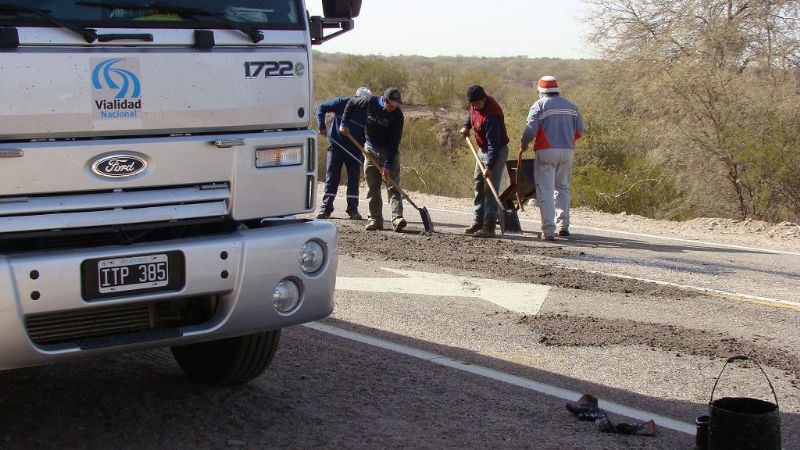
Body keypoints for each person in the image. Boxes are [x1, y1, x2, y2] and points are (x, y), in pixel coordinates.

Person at [519, 75, 585, 240]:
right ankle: (563, 225)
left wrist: (523, 143)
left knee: (545, 190)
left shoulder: (539, 105)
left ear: (540, 91)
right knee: (562, 188)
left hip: (546, 151)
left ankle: (548, 230)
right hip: (568, 151)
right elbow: (580, 131)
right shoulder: (571, 106)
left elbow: (531, 129)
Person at [339, 87, 406, 232]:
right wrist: (344, 123)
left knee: (393, 185)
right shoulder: (370, 101)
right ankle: (375, 219)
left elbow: (395, 141)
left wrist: (387, 164)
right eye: (393, 105)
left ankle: (397, 218)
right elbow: (351, 103)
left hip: (389, 151)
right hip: (370, 150)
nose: (394, 108)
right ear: (386, 101)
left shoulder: (398, 116)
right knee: (372, 186)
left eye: (397, 105)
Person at [459, 85, 510, 238]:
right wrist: (466, 126)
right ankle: (478, 220)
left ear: (484, 99)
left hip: (496, 151)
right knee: (478, 183)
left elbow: (493, 144)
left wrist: (489, 166)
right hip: (482, 149)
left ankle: (489, 226)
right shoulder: (475, 104)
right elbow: (471, 114)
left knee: (490, 188)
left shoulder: (492, 115)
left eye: (477, 104)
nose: (475, 107)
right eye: (472, 104)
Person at [315, 87, 371, 220]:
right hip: (336, 147)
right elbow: (321, 108)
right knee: (332, 178)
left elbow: (369, 134)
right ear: (356, 98)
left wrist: (366, 150)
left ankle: (353, 210)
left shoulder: (368, 113)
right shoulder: (342, 103)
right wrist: (321, 126)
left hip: (355, 151)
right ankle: (326, 209)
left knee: (353, 180)